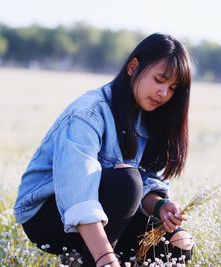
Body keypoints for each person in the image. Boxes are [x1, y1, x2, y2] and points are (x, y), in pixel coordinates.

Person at [14, 33, 194, 267]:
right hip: (50, 214)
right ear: (133, 67)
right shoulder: (88, 113)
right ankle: (93, 259)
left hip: (109, 211)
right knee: (127, 182)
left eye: (172, 88)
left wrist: (160, 206)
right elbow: (77, 194)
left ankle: (91, 258)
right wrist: (105, 259)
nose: (164, 93)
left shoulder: (148, 117)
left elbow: (146, 182)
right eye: (160, 79)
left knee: (179, 245)